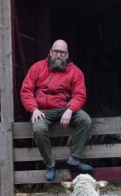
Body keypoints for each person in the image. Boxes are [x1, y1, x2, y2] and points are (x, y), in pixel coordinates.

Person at [20, 39, 93, 181]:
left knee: (85, 120)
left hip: (65, 108)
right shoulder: (37, 68)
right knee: (38, 129)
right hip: (42, 110)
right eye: (56, 52)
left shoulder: (76, 72)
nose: (58, 55)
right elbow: (26, 90)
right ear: (50, 52)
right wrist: (34, 109)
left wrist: (70, 109)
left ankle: (74, 160)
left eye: (62, 52)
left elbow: (80, 94)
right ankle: (50, 163)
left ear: (67, 55)